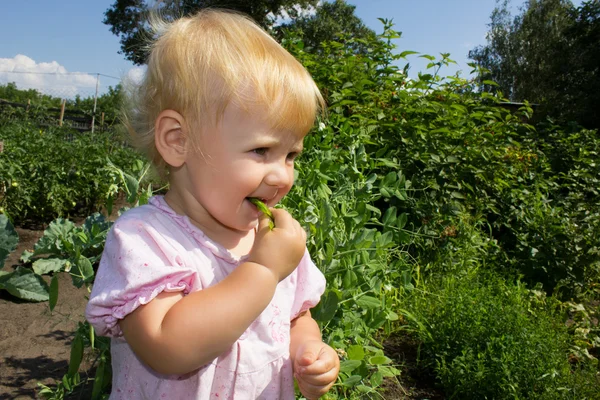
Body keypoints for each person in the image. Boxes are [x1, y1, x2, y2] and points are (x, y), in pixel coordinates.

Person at [85, 8, 340, 400]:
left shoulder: (272, 242)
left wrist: (308, 351)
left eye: (292, 155)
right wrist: (262, 269)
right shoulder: (145, 240)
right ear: (178, 141)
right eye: (261, 150)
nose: (283, 176)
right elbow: (166, 346)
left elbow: (296, 317)